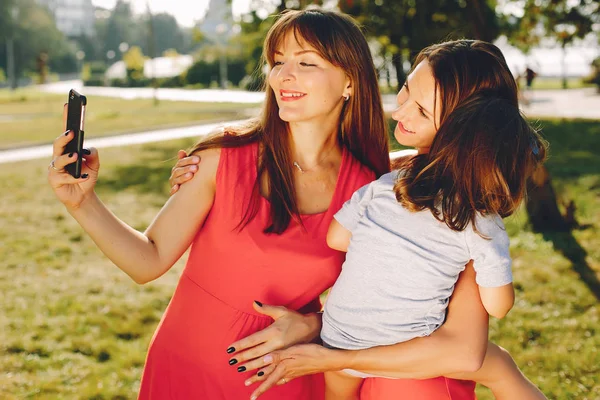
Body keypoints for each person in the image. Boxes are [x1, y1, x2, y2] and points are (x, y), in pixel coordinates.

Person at [171, 39, 548, 400]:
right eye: (405, 90)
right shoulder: (393, 177)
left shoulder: (464, 210)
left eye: (422, 109)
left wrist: (337, 357)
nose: (399, 111)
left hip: (414, 387)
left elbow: (464, 351)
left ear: (470, 126)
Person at [48, 8, 389, 400]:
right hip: (186, 369)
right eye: (278, 62)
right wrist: (83, 203)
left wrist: (314, 324)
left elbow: (376, 307)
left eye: (306, 62)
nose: (283, 75)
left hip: (283, 382)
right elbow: (149, 260)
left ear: (350, 81)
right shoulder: (224, 157)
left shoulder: (367, 189)